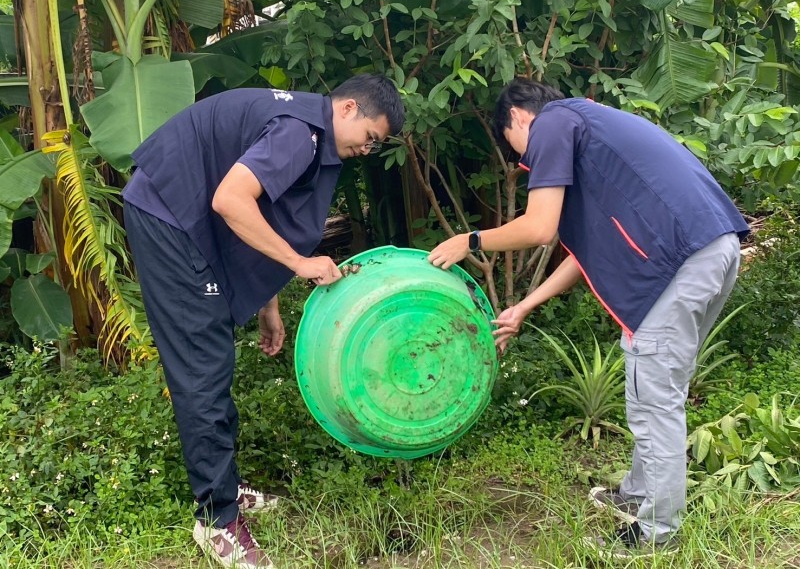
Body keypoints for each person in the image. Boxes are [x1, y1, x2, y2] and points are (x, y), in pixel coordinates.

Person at [428, 78, 748, 558]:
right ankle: (639, 493)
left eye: (515, 147)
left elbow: (538, 228)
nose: (523, 159)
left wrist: (469, 240)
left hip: (681, 260)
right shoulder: (590, 132)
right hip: (712, 249)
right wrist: (525, 306)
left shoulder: (554, 122)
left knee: (655, 397)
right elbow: (581, 257)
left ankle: (657, 533)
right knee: (657, 384)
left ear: (517, 117)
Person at [122, 74, 404, 569]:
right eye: (371, 137)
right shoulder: (300, 131)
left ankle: (223, 489)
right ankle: (216, 519)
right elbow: (230, 200)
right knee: (201, 363)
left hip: (183, 214)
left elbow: (268, 210)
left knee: (212, 358)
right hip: (167, 214)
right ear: (349, 108)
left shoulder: (308, 126)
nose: (368, 149)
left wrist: (267, 301)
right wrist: (298, 264)